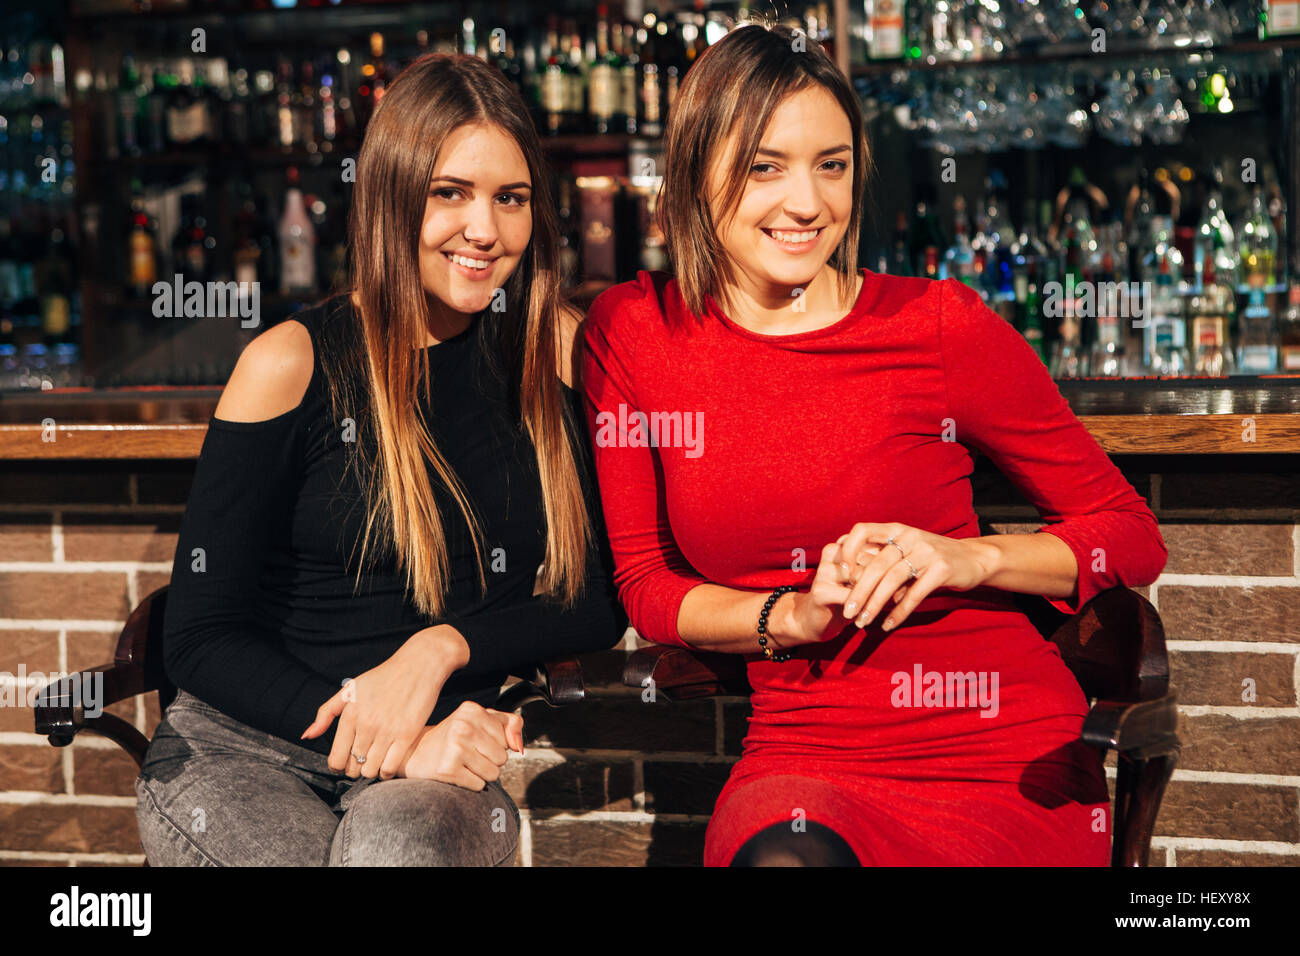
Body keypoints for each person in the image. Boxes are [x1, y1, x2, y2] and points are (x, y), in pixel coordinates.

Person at [580, 23, 1167, 867]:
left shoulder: (936, 325)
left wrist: (974, 561)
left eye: (833, 165)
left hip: (1000, 749)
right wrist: (794, 617)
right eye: (764, 167)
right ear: (694, 172)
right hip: (806, 750)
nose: (809, 204)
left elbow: (1130, 533)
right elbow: (647, 587)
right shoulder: (634, 333)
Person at [135, 53, 625, 866]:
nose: (485, 230)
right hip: (247, 748)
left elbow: (598, 601)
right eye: (450, 193)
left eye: (511, 199)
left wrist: (440, 649)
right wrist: (391, 741)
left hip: (437, 752)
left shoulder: (556, 354)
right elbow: (199, 636)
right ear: (393, 194)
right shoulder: (290, 363)